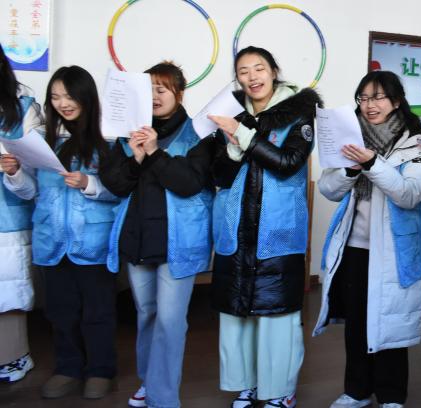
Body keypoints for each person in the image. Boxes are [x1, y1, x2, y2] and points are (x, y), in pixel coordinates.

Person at [312, 71, 421, 408]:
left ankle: (392, 395)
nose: (369, 105)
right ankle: (357, 391)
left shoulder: (417, 144)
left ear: (396, 101)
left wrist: (371, 163)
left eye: (378, 97)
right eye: (363, 98)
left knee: (390, 322)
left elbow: (410, 194)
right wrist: (352, 169)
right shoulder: (349, 139)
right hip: (354, 247)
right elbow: (328, 189)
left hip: (393, 251)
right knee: (356, 323)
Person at [209, 46, 322, 408]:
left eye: (259, 68)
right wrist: (231, 147)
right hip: (236, 228)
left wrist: (242, 136)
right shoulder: (231, 113)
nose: (252, 77)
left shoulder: (300, 113)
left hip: (277, 231)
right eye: (243, 71)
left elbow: (288, 162)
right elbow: (219, 175)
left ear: (274, 71)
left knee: (277, 317)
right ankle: (247, 384)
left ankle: (281, 390)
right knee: (237, 315)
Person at [100, 61, 216, 408]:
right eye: (148, 89)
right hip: (138, 239)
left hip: (178, 242)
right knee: (147, 314)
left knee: (169, 320)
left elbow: (189, 183)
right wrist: (136, 158)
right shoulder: (127, 133)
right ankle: (149, 381)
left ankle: (163, 398)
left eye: (161, 89)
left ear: (179, 93)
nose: (154, 96)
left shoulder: (198, 134)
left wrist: (153, 153)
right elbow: (115, 184)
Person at [2, 65, 120, 399]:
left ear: (86, 96)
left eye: (69, 96)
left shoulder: (109, 139)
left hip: (93, 243)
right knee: (60, 312)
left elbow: (120, 191)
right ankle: (68, 368)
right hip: (51, 241)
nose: (62, 103)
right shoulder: (41, 140)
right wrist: (14, 173)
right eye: (55, 97)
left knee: (97, 313)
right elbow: (31, 192)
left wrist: (88, 183)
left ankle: (100, 370)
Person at [0, 43, 42, 383]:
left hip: (8, 219)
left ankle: (14, 357)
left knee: (9, 290)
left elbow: (35, 184)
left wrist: (13, 171)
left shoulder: (23, 110)